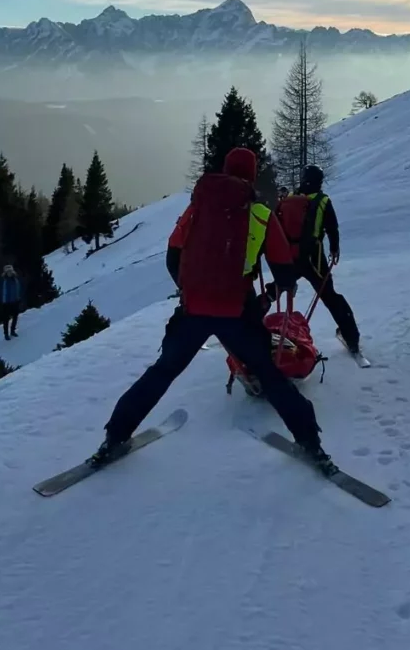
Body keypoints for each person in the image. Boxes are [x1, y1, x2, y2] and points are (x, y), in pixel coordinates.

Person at [93, 148, 333, 472]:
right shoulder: (261, 214)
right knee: (270, 375)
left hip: (193, 310)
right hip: (237, 312)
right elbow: (284, 273)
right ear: (252, 175)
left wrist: (189, 290)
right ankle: (310, 443)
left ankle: (115, 436)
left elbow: (173, 256)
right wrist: (267, 296)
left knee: (162, 371)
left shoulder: (198, 207)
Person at [274, 165, 362, 357]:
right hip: (314, 258)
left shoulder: (290, 198)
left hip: (290, 257)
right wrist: (334, 249)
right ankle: (351, 338)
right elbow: (332, 228)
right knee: (330, 296)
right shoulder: (323, 201)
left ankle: (247, 327)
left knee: (275, 291)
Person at [0, 264, 23, 340]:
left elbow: (18, 289)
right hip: (6, 302)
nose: (9, 273)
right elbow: (0, 291)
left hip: (15, 301)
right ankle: (6, 334)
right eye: (8, 272)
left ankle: (12, 330)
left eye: (10, 271)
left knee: (15, 317)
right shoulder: (3, 280)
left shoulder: (15, 279)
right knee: (6, 319)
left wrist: (18, 298)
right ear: (5, 272)